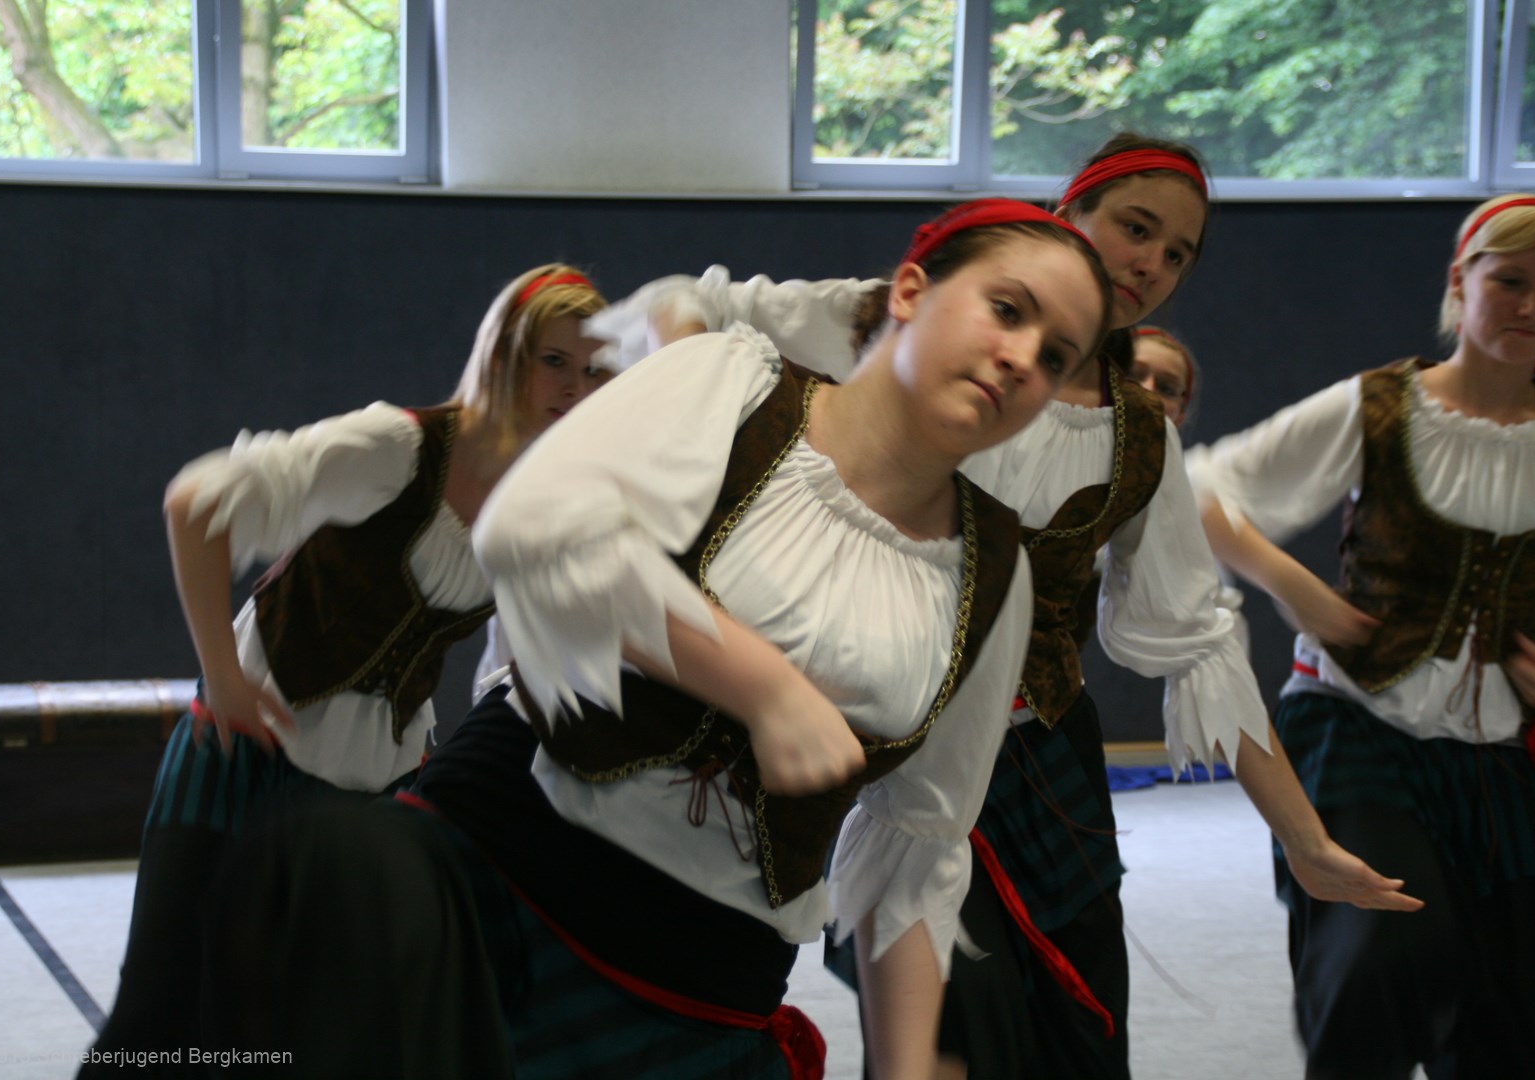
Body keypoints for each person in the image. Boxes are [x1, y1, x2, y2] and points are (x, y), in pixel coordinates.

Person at [202, 198, 1116, 1080]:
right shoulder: (732, 382)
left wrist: (907, 1067)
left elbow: (915, 844)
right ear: (911, 289)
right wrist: (766, 689)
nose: (1020, 359)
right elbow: (536, 526)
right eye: (1007, 309)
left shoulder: (996, 574)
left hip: (704, 978)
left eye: (1055, 355)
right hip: (495, 872)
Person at [615, 136, 1419, 1080]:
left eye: (1177, 255)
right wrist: (690, 448)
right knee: (957, 1026)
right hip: (882, 741)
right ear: (1070, 213)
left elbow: (1196, 641)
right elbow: (694, 303)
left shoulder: (1138, 439)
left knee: (1082, 1030)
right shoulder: (899, 319)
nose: (1150, 265)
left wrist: (1305, 839)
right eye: (1136, 229)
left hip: (1040, 755)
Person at [82, 266, 612, 1074]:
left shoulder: (541, 506)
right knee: (157, 1028)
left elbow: (517, 662)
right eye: (554, 361)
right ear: (503, 352)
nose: (574, 387)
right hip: (245, 759)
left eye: (592, 369)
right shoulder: (396, 448)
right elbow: (195, 505)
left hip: (367, 799)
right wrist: (222, 675)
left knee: (302, 1041)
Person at [1194, 193, 1535, 1078]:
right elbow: (1199, 488)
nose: (1531, 306)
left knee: (1531, 1004)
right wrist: (1296, 588)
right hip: (1359, 718)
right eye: (1509, 281)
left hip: (1501, 745)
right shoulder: (1380, 406)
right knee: (1382, 958)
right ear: (1461, 282)